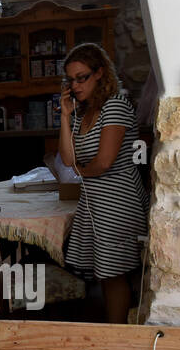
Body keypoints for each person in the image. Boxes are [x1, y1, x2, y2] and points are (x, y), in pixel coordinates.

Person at [58, 42, 149, 323]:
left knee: (114, 275)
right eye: (70, 80)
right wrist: (64, 116)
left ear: (100, 73)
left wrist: (80, 173)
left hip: (118, 201)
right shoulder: (84, 113)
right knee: (105, 274)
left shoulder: (115, 107)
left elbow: (105, 161)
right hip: (95, 202)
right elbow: (67, 157)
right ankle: (115, 332)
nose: (75, 86)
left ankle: (117, 335)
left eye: (81, 77)